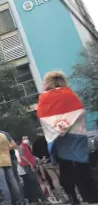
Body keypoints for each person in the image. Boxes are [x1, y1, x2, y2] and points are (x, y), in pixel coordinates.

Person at [37, 71, 98, 204]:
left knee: (65, 170)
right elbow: (81, 112)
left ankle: (73, 198)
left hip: (60, 140)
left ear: (47, 82)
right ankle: (92, 197)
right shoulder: (71, 94)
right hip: (76, 137)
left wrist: (58, 127)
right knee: (83, 168)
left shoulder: (44, 99)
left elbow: (43, 119)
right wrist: (69, 124)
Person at [0, 123, 23, 205]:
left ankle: (7, 202)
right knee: (12, 180)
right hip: (7, 160)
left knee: (2, 183)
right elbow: (11, 146)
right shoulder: (3, 135)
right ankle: (20, 200)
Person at [18, 136, 47, 203]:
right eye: (24, 139)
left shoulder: (28, 147)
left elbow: (31, 155)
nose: (26, 140)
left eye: (27, 138)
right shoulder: (21, 147)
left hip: (32, 165)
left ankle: (37, 199)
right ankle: (42, 198)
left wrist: (36, 160)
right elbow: (22, 156)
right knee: (34, 182)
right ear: (21, 140)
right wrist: (30, 163)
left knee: (34, 182)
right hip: (27, 166)